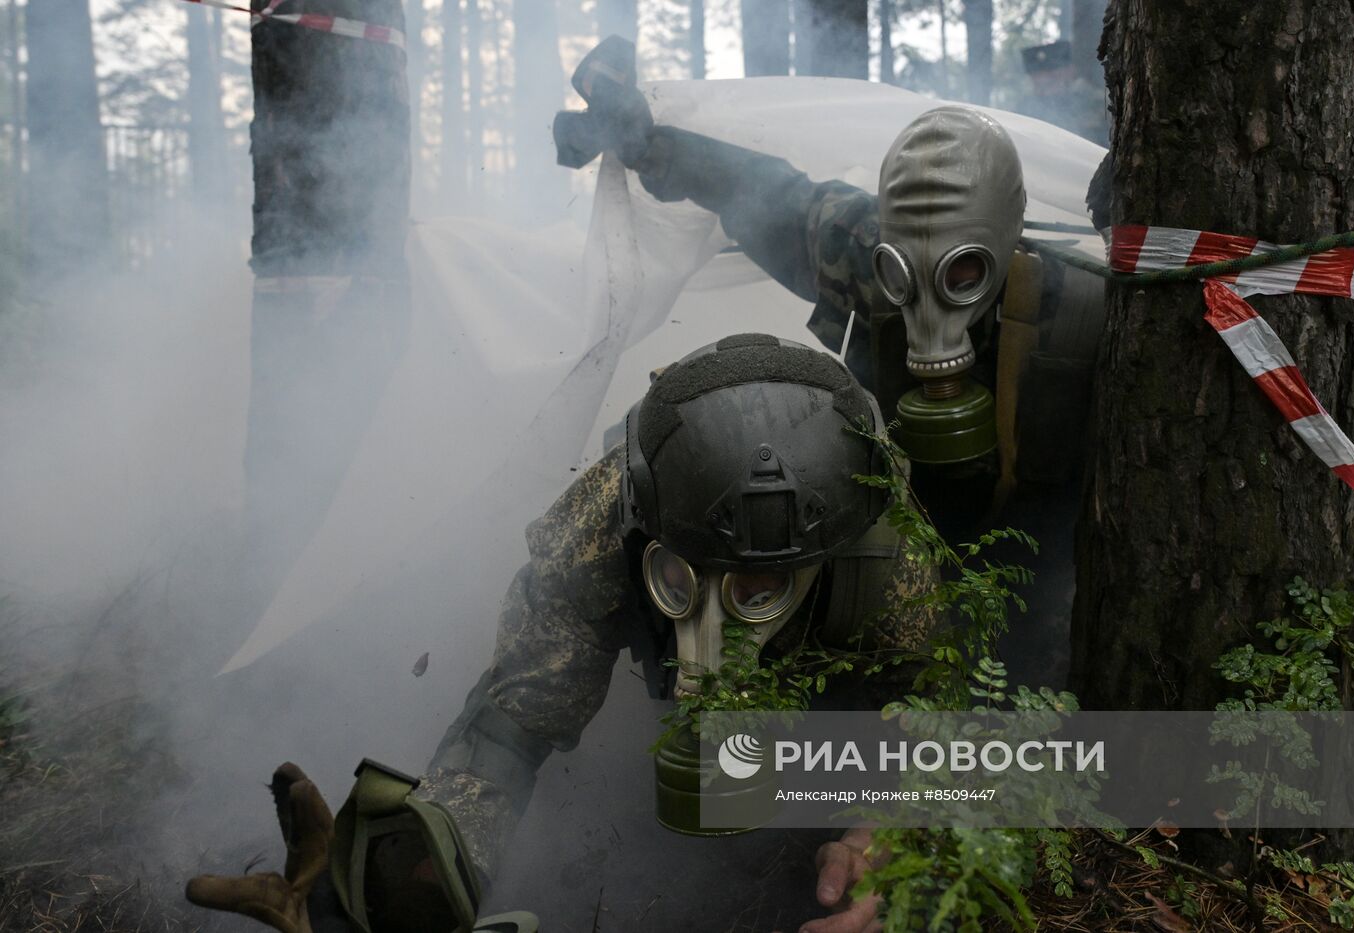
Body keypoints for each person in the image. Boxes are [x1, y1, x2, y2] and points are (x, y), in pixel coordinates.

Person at [188, 335, 941, 933]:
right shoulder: (601, 532)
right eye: (682, 583)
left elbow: (933, 726)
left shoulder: (886, 554)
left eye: (753, 592)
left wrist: (883, 833)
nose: (709, 645)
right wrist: (401, 877)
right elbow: (509, 731)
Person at [556, 36, 1108, 689]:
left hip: (1037, 570)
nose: (928, 302)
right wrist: (652, 145)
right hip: (889, 547)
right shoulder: (865, 252)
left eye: (963, 272)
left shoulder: (1087, 317)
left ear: (1009, 242)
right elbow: (771, 196)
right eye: (904, 271)